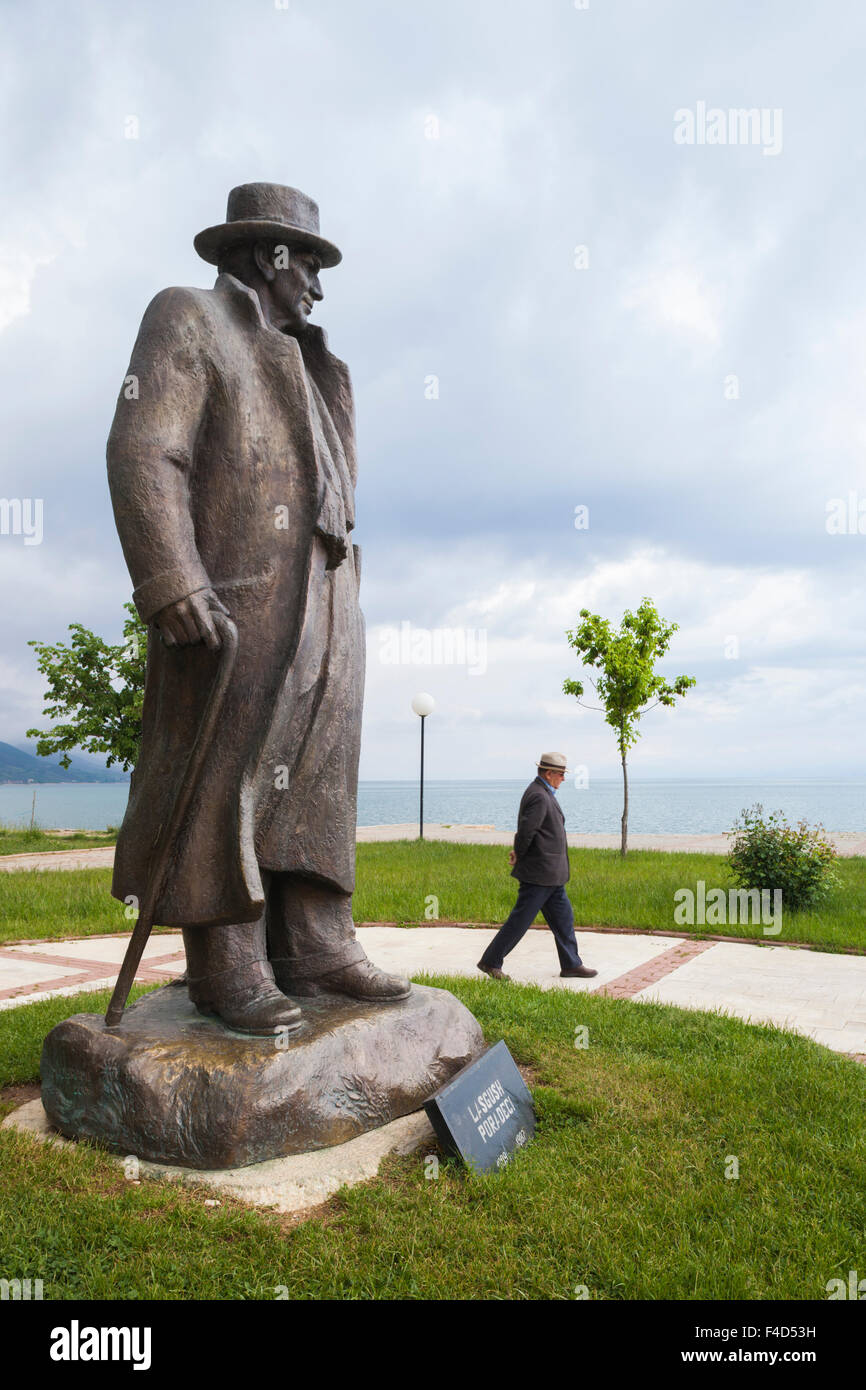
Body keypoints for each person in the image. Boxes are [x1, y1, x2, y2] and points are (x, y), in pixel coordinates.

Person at [107, 183, 409, 1035]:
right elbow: (141, 448)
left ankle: (317, 941)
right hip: (239, 597)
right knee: (226, 773)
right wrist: (171, 577)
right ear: (266, 257)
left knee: (317, 769)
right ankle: (227, 961)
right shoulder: (189, 318)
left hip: (326, 594)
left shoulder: (312, 360)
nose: (316, 280)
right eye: (307, 260)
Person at [477, 753, 597, 981]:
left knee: (564, 919)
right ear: (549, 773)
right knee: (520, 920)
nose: (563, 778)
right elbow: (526, 831)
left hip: (551, 875)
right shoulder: (539, 796)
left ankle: (571, 965)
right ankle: (491, 961)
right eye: (561, 774)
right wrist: (518, 854)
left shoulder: (542, 792)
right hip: (539, 873)